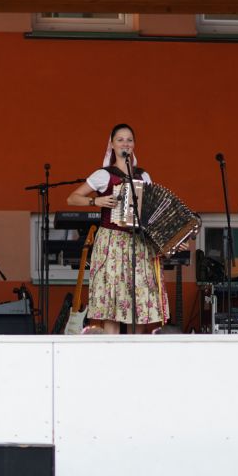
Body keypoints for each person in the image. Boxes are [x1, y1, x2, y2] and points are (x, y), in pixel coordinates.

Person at [66, 123, 167, 334]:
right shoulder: (104, 175)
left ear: (134, 144)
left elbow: (152, 210)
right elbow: (72, 198)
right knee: (112, 301)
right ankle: (112, 346)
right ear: (112, 144)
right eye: (120, 139)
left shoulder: (143, 176)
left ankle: (135, 348)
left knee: (138, 301)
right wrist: (96, 201)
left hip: (138, 244)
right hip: (111, 243)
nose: (125, 143)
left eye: (129, 140)